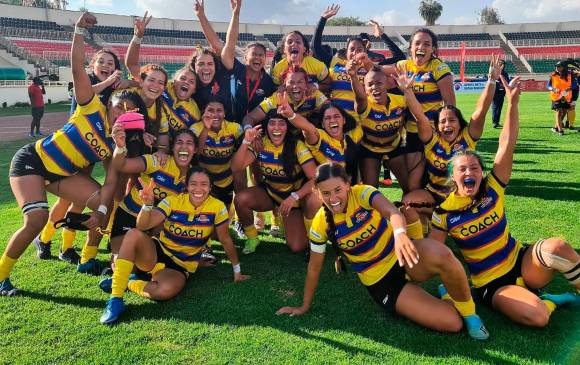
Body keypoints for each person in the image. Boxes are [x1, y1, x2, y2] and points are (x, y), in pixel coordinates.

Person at [0, 12, 134, 296]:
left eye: (128, 111)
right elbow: (75, 67)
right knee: (36, 219)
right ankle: (2, 277)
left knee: (103, 202)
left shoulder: (116, 138)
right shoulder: (90, 105)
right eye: (118, 106)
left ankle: (84, 257)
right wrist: (78, 31)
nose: (121, 112)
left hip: (62, 173)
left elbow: (111, 183)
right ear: (111, 103)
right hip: (32, 162)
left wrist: (98, 212)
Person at [276, 163, 489, 340]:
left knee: (442, 254)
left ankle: (471, 315)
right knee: (451, 323)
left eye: (338, 190)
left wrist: (399, 234)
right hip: (383, 283)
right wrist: (303, 306)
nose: (333, 198)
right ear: (317, 192)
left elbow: (392, 211)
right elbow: (314, 267)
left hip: (402, 255)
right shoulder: (320, 224)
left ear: (348, 185)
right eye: (326, 193)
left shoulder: (363, 193)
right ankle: (448, 294)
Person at [431, 76, 580, 327]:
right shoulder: (443, 212)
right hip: (491, 283)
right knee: (538, 316)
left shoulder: (492, 188)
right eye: (463, 170)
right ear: (453, 178)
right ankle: (553, 300)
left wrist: (512, 103)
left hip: (522, 262)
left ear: (482, 172)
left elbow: (506, 144)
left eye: (475, 168)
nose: (470, 173)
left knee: (558, 247)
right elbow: (435, 255)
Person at [99, 167, 250, 324]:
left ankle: (128, 282)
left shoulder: (217, 208)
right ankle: (116, 299)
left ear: (210, 187)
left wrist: (237, 271)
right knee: (133, 234)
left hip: (180, 265)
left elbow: (225, 239)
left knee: (164, 291)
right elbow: (143, 226)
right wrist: (148, 205)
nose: (198, 189)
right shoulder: (173, 201)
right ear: (187, 185)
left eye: (204, 184)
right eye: (193, 184)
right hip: (157, 253)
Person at [402, 55, 502, 222]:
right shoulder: (431, 139)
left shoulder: (468, 138)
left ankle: (452, 218)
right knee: (408, 201)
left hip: (463, 196)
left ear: (459, 123)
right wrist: (407, 90)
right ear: (437, 125)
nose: (447, 124)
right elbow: (420, 116)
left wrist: (491, 80)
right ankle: (434, 221)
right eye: (442, 121)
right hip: (435, 196)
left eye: (452, 120)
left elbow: (481, 111)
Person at [232, 111, 319, 255]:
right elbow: (236, 167)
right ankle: (253, 238)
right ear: (266, 128)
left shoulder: (297, 145)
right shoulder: (261, 143)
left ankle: (303, 227)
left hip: (293, 200)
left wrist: (295, 197)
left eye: (282, 123)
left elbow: (315, 178)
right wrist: (246, 142)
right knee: (241, 199)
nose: (277, 128)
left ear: (288, 127)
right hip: (271, 194)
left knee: (296, 247)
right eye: (272, 123)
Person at [107, 127, 198, 259]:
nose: (184, 147)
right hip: (129, 216)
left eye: (189, 143)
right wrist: (120, 147)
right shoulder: (157, 162)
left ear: (195, 150)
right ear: (172, 148)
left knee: (148, 264)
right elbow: (121, 165)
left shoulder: (194, 178)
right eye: (179, 142)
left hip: (156, 225)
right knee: (122, 260)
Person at [195, 0, 276, 124]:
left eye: (261, 55)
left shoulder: (268, 81)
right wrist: (236, 14)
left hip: (255, 132)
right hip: (230, 128)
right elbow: (221, 45)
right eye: (253, 54)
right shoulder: (236, 69)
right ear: (245, 58)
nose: (257, 58)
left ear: (265, 59)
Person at [395, 28, 455, 191]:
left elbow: (450, 104)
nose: (421, 46)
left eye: (427, 44)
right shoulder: (403, 66)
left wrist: (447, 131)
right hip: (412, 132)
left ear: (433, 49)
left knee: (437, 177)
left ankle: (440, 211)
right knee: (414, 179)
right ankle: (415, 211)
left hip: (434, 132)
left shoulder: (439, 67)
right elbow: (377, 71)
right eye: (417, 43)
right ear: (410, 48)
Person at [350, 64, 409, 191]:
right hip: (370, 150)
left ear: (387, 84)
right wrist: (353, 77)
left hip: (394, 147)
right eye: (370, 84)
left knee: (409, 187)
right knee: (371, 192)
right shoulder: (364, 105)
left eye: (379, 83)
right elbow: (359, 98)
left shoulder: (401, 101)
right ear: (365, 89)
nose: (374, 87)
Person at [281, 102, 362, 180]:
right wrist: (291, 115)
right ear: (322, 124)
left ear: (344, 120)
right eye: (327, 118)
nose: (332, 120)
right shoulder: (320, 138)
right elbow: (308, 128)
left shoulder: (352, 138)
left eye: (336, 116)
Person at [191, 100, 244, 208]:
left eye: (219, 110)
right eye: (210, 110)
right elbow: (195, 154)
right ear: (203, 112)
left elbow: (247, 140)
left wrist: (254, 138)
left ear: (224, 113)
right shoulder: (195, 128)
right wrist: (206, 129)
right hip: (204, 181)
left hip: (226, 181)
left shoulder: (234, 128)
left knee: (224, 215)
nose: (215, 114)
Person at [243, 66, 328, 129]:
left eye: (300, 82)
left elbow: (331, 109)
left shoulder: (313, 93)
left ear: (306, 84)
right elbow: (249, 117)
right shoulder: (277, 97)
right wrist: (248, 130)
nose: (295, 86)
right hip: (285, 137)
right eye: (291, 82)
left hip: (306, 133)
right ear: (284, 85)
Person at [161, 67, 201, 133]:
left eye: (191, 82)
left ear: (194, 90)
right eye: (183, 78)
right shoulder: (163, 87)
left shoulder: (195, 115)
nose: (186, 82)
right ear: (175, 82)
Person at [548, 61, 577, 136]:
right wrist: (553, 89)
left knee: (564, 112)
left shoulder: (570, 75)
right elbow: (548, 85)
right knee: (559, 111)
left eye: (559, 66)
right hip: (556, 96)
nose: (557, 68)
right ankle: (561, 131)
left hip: (566, 96)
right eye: (556, 66)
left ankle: (556, 127)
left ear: (564, 67)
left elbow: (574, 84)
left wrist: (570, 88)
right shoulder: (553, 75)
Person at [491, 60, 509, 129]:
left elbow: (507, 82)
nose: (502, 66)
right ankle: (494, 122)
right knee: (495, 107)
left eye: (503, 64)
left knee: (499, 108)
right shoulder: (494, 72)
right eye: (501, 64)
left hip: (502, 92)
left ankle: (497, 122)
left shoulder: (505, 73)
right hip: (495, 92)